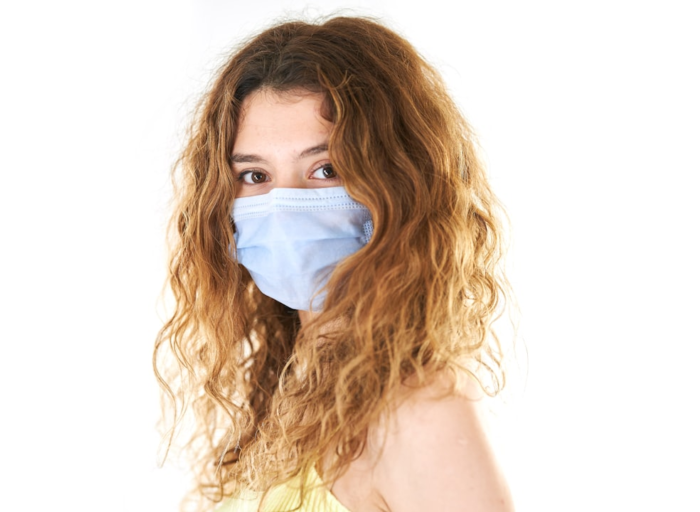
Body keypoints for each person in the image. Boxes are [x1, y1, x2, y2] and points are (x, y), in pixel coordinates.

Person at [154, 15, 514, 512]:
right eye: (255, 174)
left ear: (400, 183)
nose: (283, 205)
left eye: (326, 169)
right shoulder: (289, 391)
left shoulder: (417, 407)